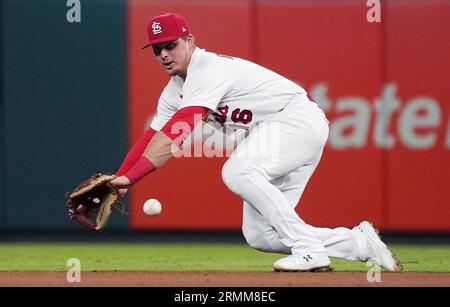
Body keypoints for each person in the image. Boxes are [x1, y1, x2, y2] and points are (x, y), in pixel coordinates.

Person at [111, 13, 402, 272]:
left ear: (190, 41)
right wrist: (122, 180)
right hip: (278, 135)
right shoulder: (174, 91)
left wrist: (130, 177)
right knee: (261, 236)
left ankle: (309, 251)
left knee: (238, 171)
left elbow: (178, 131)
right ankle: (358, 244)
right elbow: (152, 138)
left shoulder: (208, 69)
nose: (163, 54)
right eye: (157, 49)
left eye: (170, 44)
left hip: (296, 120)